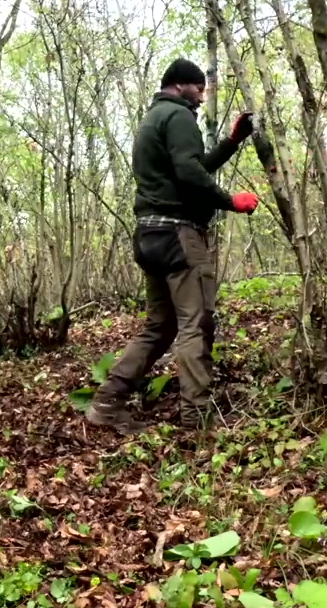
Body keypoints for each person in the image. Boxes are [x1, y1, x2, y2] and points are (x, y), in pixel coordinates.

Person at [86, 58, 259, 432]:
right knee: (196, 323)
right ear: (181, 85)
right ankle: (196, 418)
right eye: (199, 90)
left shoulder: (154, 119)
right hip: (179, 237)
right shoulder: (180, 118)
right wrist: (231, 201)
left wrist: (231, 142)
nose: (201, 99)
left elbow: (190, 165)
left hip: (149, 235)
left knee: (160, 326)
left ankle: (107, 402)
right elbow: (189, 173)